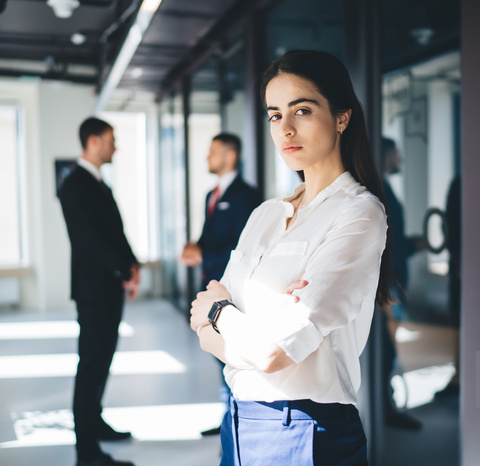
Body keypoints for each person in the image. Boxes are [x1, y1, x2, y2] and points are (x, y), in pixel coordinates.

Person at [190, 50, 391, 465]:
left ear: (342, 117)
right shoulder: (265, 214)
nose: (286, 128)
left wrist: (220, 311)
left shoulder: (358, 212)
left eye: (302, 109)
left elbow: (269, 351)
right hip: (241, 422)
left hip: (305, 428)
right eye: (275, 114)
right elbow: (203, 327)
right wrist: (238, 318)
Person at [59, 117, 139, 466]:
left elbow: (114, 230)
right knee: (91, 364)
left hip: (109, 286)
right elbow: (89, 240)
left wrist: (132, 263)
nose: (114, 146)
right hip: (94, 290)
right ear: (93, 141)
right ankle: (86, 451)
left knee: (103, 360)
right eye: (110, 140)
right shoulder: (74, 184)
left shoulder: (98, 184)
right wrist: (123, 270)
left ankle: (96, 422)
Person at [180, 133, 261, 435]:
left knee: (235, 356)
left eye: (213, 152)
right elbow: (211, 239)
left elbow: (245, 246)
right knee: (220, 358)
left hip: (234, 291)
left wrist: (204, 253)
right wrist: (195, 248)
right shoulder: (211, 195)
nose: (207, 157)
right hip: (212, 285)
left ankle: (239, 421)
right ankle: (229, 419)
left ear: (230, 156)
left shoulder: (245, 195)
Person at [380, 137, 426, 430]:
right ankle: (386, 409)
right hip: (390, 281)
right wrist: (413, 245)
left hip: (392, 280)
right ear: (386, 156)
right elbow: (389, 242)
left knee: (389, 350)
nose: (400, 160)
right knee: (387, 351)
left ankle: (386, 406)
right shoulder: (380, 189)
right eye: (396, 155)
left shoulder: (383, 186)